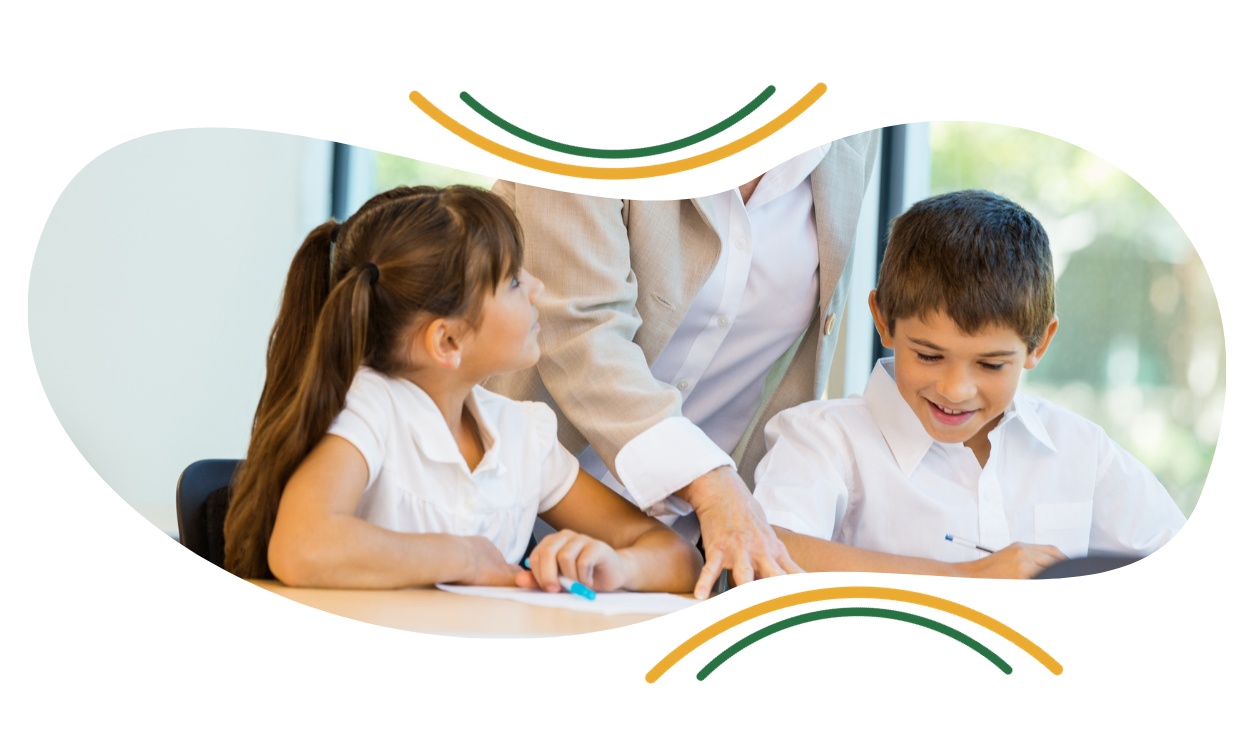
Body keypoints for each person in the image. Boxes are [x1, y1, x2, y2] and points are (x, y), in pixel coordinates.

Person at [223, 185, 702, 594]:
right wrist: (465, 559)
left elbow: (680, 559)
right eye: (513, 280)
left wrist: (618, 566)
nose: (537, 287)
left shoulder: (522, 433)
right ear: (447, 340)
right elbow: (302, 546)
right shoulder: (370, 407)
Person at [484, 134, 880, 598]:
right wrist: (709, 482)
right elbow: (579, 327)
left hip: (690, 548)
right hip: (518, 505)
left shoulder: (852, 144)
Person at [751, 190, 1188, 579]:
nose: (955, 389)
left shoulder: (1082, 452)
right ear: (883, 320)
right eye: (928, 355)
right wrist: (963, 575)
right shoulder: (824, 437)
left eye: (991, 364)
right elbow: (766, 553)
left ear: (1039, 344)